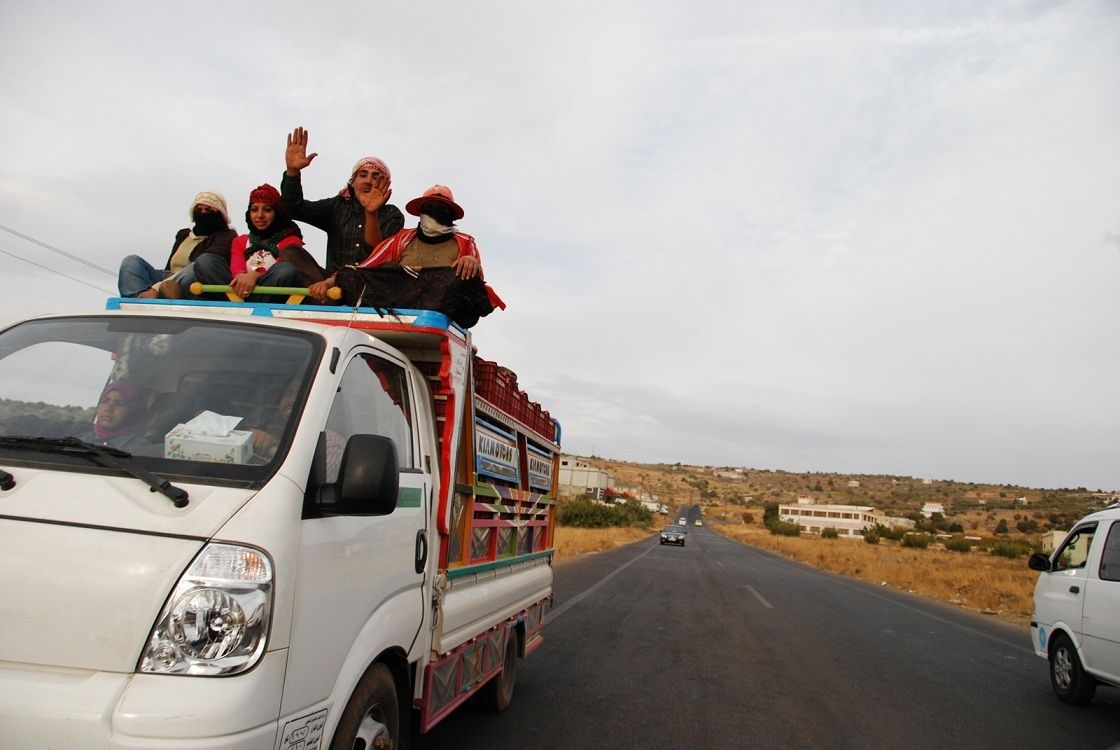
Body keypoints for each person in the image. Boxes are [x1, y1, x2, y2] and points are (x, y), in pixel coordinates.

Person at [306, 185, 505, 327]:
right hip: (400, 294)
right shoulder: (403, 238)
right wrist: (331, 281)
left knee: (461, 278)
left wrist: (471, 263)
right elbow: (366, 267)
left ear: (451, 215)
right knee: (358, 275)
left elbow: (475, 281)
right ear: (420, 213)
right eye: (429, 208)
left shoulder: (464, 241)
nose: (435, 212)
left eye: (442, 209)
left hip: (440, 298)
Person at [281, 126, 404, 274]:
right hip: (330, 285)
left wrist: (371, 213)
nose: (368, 181)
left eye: (376, 176)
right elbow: (294, 209)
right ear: (353, 181)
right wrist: (293, 172)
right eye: (363, 175)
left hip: (371, 285)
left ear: (384, 184)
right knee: (291, 252)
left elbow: (381, 254)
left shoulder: (392, 214)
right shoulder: (338, 206)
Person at [193, 184, 326, 300]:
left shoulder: (290, 241)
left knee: (285, 269)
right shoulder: (241, 241)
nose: (260, 215)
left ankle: (241, 303)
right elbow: (236, 268)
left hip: (269, 293)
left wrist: (255, 276)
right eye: (254, 209)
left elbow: (283, 273)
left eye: (267, 210)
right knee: (206, 261)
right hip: (237, 289)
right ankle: (238, 302)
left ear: (277, 214)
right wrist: (242, 277)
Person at [118, 191, 236, 298]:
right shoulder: (184, 234)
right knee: (131, 261)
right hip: (168, 278)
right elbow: (170, 267)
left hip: (195, 283)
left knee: (199, 265)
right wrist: (161, 284)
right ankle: (138, 300)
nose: (203, 213)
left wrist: (156, 288)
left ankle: (158, 294)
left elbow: (206, 266)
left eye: (209, 210)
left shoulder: (227, 236)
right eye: (199, 210)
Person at [78, 379, 156, 452]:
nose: (108, 408)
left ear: (132, 412)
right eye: (105, 401)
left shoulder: (139, 447)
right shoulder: (81, 441)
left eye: (119, 404)